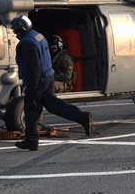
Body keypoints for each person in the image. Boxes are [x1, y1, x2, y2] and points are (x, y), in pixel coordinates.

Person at [11, 16, 93, 151]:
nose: (15, 33)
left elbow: (34, 66)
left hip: (39, 80)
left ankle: (31, 140)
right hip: (49, 77)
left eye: (16, 30)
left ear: (22, 29)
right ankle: (82, 117)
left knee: (31, 108)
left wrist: (32, 86)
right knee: (53, 105)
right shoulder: (38, 36)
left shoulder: (27, 43)